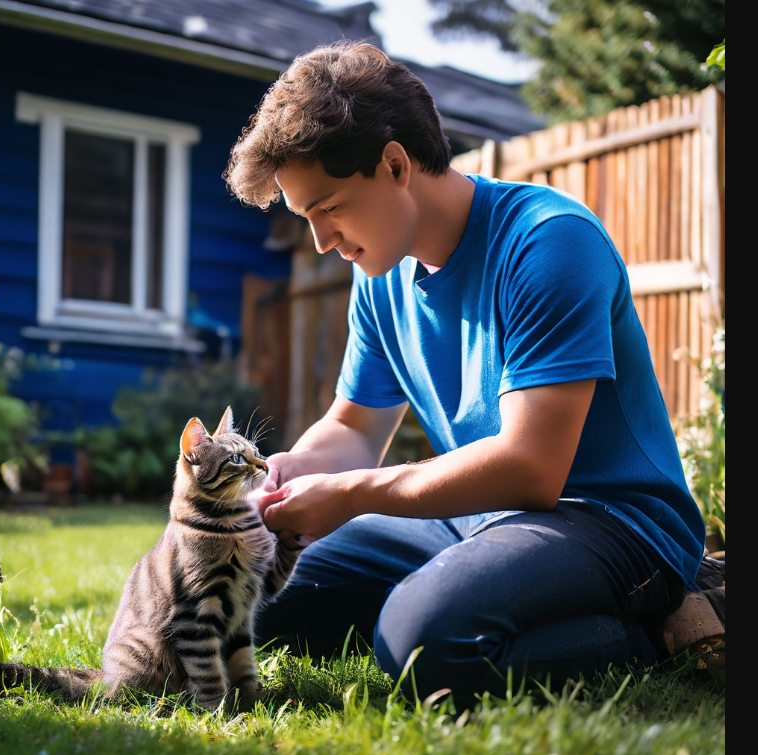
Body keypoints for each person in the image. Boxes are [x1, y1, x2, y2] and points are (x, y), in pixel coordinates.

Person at [222, 40, 716, 709]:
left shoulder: (548, 241)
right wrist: (294, 470)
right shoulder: (382, 275)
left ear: (394, 163)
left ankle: (677, 623)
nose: (321, 242)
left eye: (328, 207)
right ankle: (458, 600)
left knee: (424, 644)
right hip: (483, 517)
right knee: (257, 598)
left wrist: (355, 493)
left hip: (612, 522)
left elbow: (532, 468)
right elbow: (354, 427)